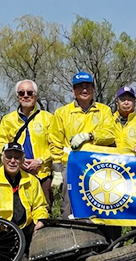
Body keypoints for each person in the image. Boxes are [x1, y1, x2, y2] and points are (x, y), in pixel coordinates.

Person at [49, 71, 116, 218]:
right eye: (80, 86)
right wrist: (57, 171)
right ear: (73, 90)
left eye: (88, 86)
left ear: (93, 89)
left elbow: (110, 135)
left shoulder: (104, 111)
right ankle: (68, 236)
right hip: (71, 165)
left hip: (99, 166)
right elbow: (55, 142)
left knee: (101, 205)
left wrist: (90, 136)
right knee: (68, 206)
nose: (84, 90)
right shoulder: (62, 113)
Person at [0, 142, 49, 250]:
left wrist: (40, 220)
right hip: (0, 230)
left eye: (17, 158)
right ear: (3, 159)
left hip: (25, 228)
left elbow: (40, 206)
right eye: (9, 157)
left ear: (22, 161)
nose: (13, 161)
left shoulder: (32, 181)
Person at [0, 79, 55, 209]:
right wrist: (16, 160)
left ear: (36, 96)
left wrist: (39, 161)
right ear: (17, 97)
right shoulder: (8, 120)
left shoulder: (48, 118)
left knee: (44, 212)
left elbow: (55, 146)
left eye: (30, 92)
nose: (26, 96)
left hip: (41, 174)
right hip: (16, 174)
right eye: (22, 93)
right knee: (18, 211)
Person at [113, 86, 136, 152]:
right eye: (123, 100)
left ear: (134, 102)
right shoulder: (109, 120)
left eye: (129, 100)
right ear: (117, 102)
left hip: (132, 161)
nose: (126, 102)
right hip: (110, 160)